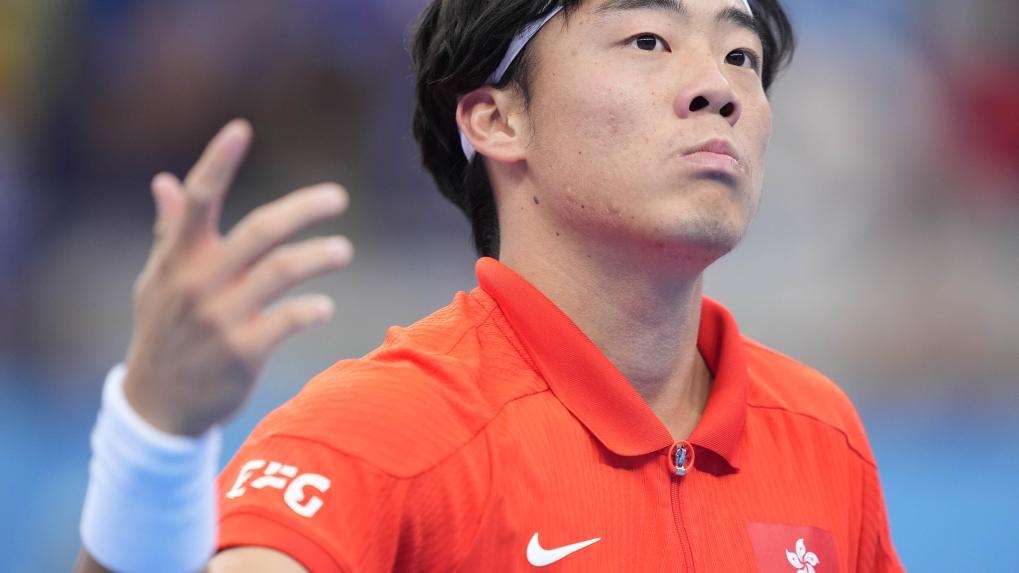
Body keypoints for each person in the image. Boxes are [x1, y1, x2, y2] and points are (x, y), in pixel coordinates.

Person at [76, 0, 904, 571]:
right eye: (648, 40)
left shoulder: (821, 433)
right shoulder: (379, 431)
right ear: (497, 119)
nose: (718, 88)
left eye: (740, 55)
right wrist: (154, 446)